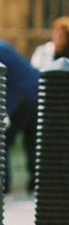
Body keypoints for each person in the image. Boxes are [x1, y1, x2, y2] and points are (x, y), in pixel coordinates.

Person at [0, 41, 40, 193]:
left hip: (22, 97)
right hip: (37, 93)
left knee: (2, 140)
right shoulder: (4, 47)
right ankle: (37, 184)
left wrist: (6, 112)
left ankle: (3, 185)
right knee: (33, 142)